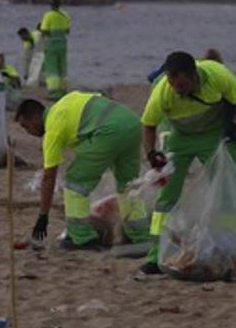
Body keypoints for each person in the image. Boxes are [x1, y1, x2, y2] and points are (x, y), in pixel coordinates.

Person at [138, 51, 236, 275]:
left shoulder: (218, 76)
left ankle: (231, 248)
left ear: (193, 76)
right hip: (181, 137)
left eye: (181, 85)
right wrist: (152, 154)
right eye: (172, 82)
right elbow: (148, 125)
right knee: (167, 194)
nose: (176, 88)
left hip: (214, 135)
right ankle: (156, 254)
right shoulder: (163, 91)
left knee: (227, 190)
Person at [17, 94, 149, 250]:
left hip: (109, 131)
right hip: (132, 123)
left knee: (75, 182)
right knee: (127, 184)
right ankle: (140, 233)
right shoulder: (65, 101)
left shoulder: (53, 128)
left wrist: (43, 216)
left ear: (34, 118)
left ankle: (81, 237)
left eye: (26, 127)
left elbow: (49, 177)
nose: (28, 132)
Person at [38, 0, 71, 99]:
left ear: (50, 5)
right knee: (62, 67)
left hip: (51, 44)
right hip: (63, 44)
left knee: (52, 68)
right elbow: (67, 30)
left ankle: (53, 92)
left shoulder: (48, 15)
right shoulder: (65, 15)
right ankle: (63, 90)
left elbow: (44, 30)